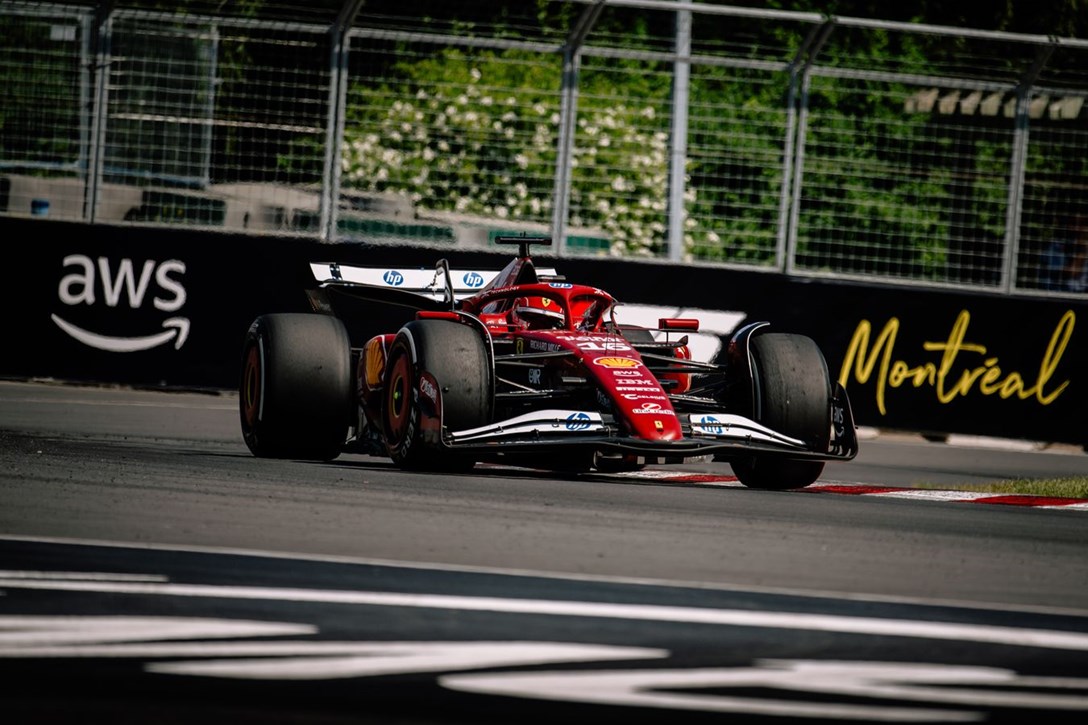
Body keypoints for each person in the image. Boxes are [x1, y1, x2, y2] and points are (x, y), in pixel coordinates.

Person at [1042, 214, 1088, 292]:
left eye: (1083, 224)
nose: (1078, 228)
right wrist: (1083, 250)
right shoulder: (1056, 247)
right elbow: (1071, 272)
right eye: (1074, 223)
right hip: (1058, 294)